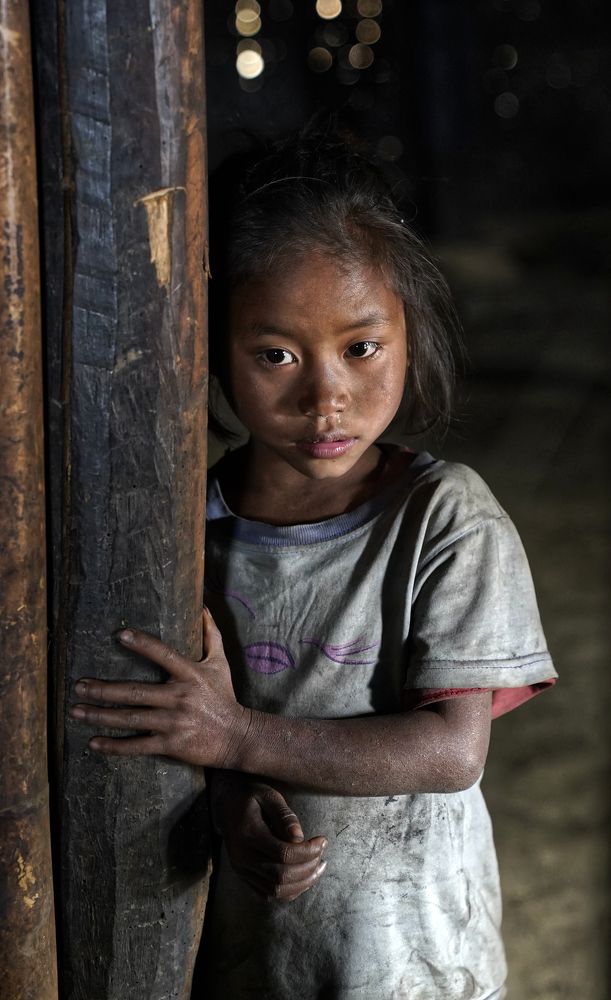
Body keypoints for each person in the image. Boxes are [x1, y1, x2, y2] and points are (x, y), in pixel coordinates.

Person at [70, 127, 557, 1000]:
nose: (324, 396)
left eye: (361, 348)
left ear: (409, 332)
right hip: (259, 954)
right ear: (211, 348)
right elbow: (198, 727)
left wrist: (238, 738)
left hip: (413, 956)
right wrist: (230, 799)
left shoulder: (444, 520)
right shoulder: (194, 529)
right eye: (275, 356)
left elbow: (450, 753)